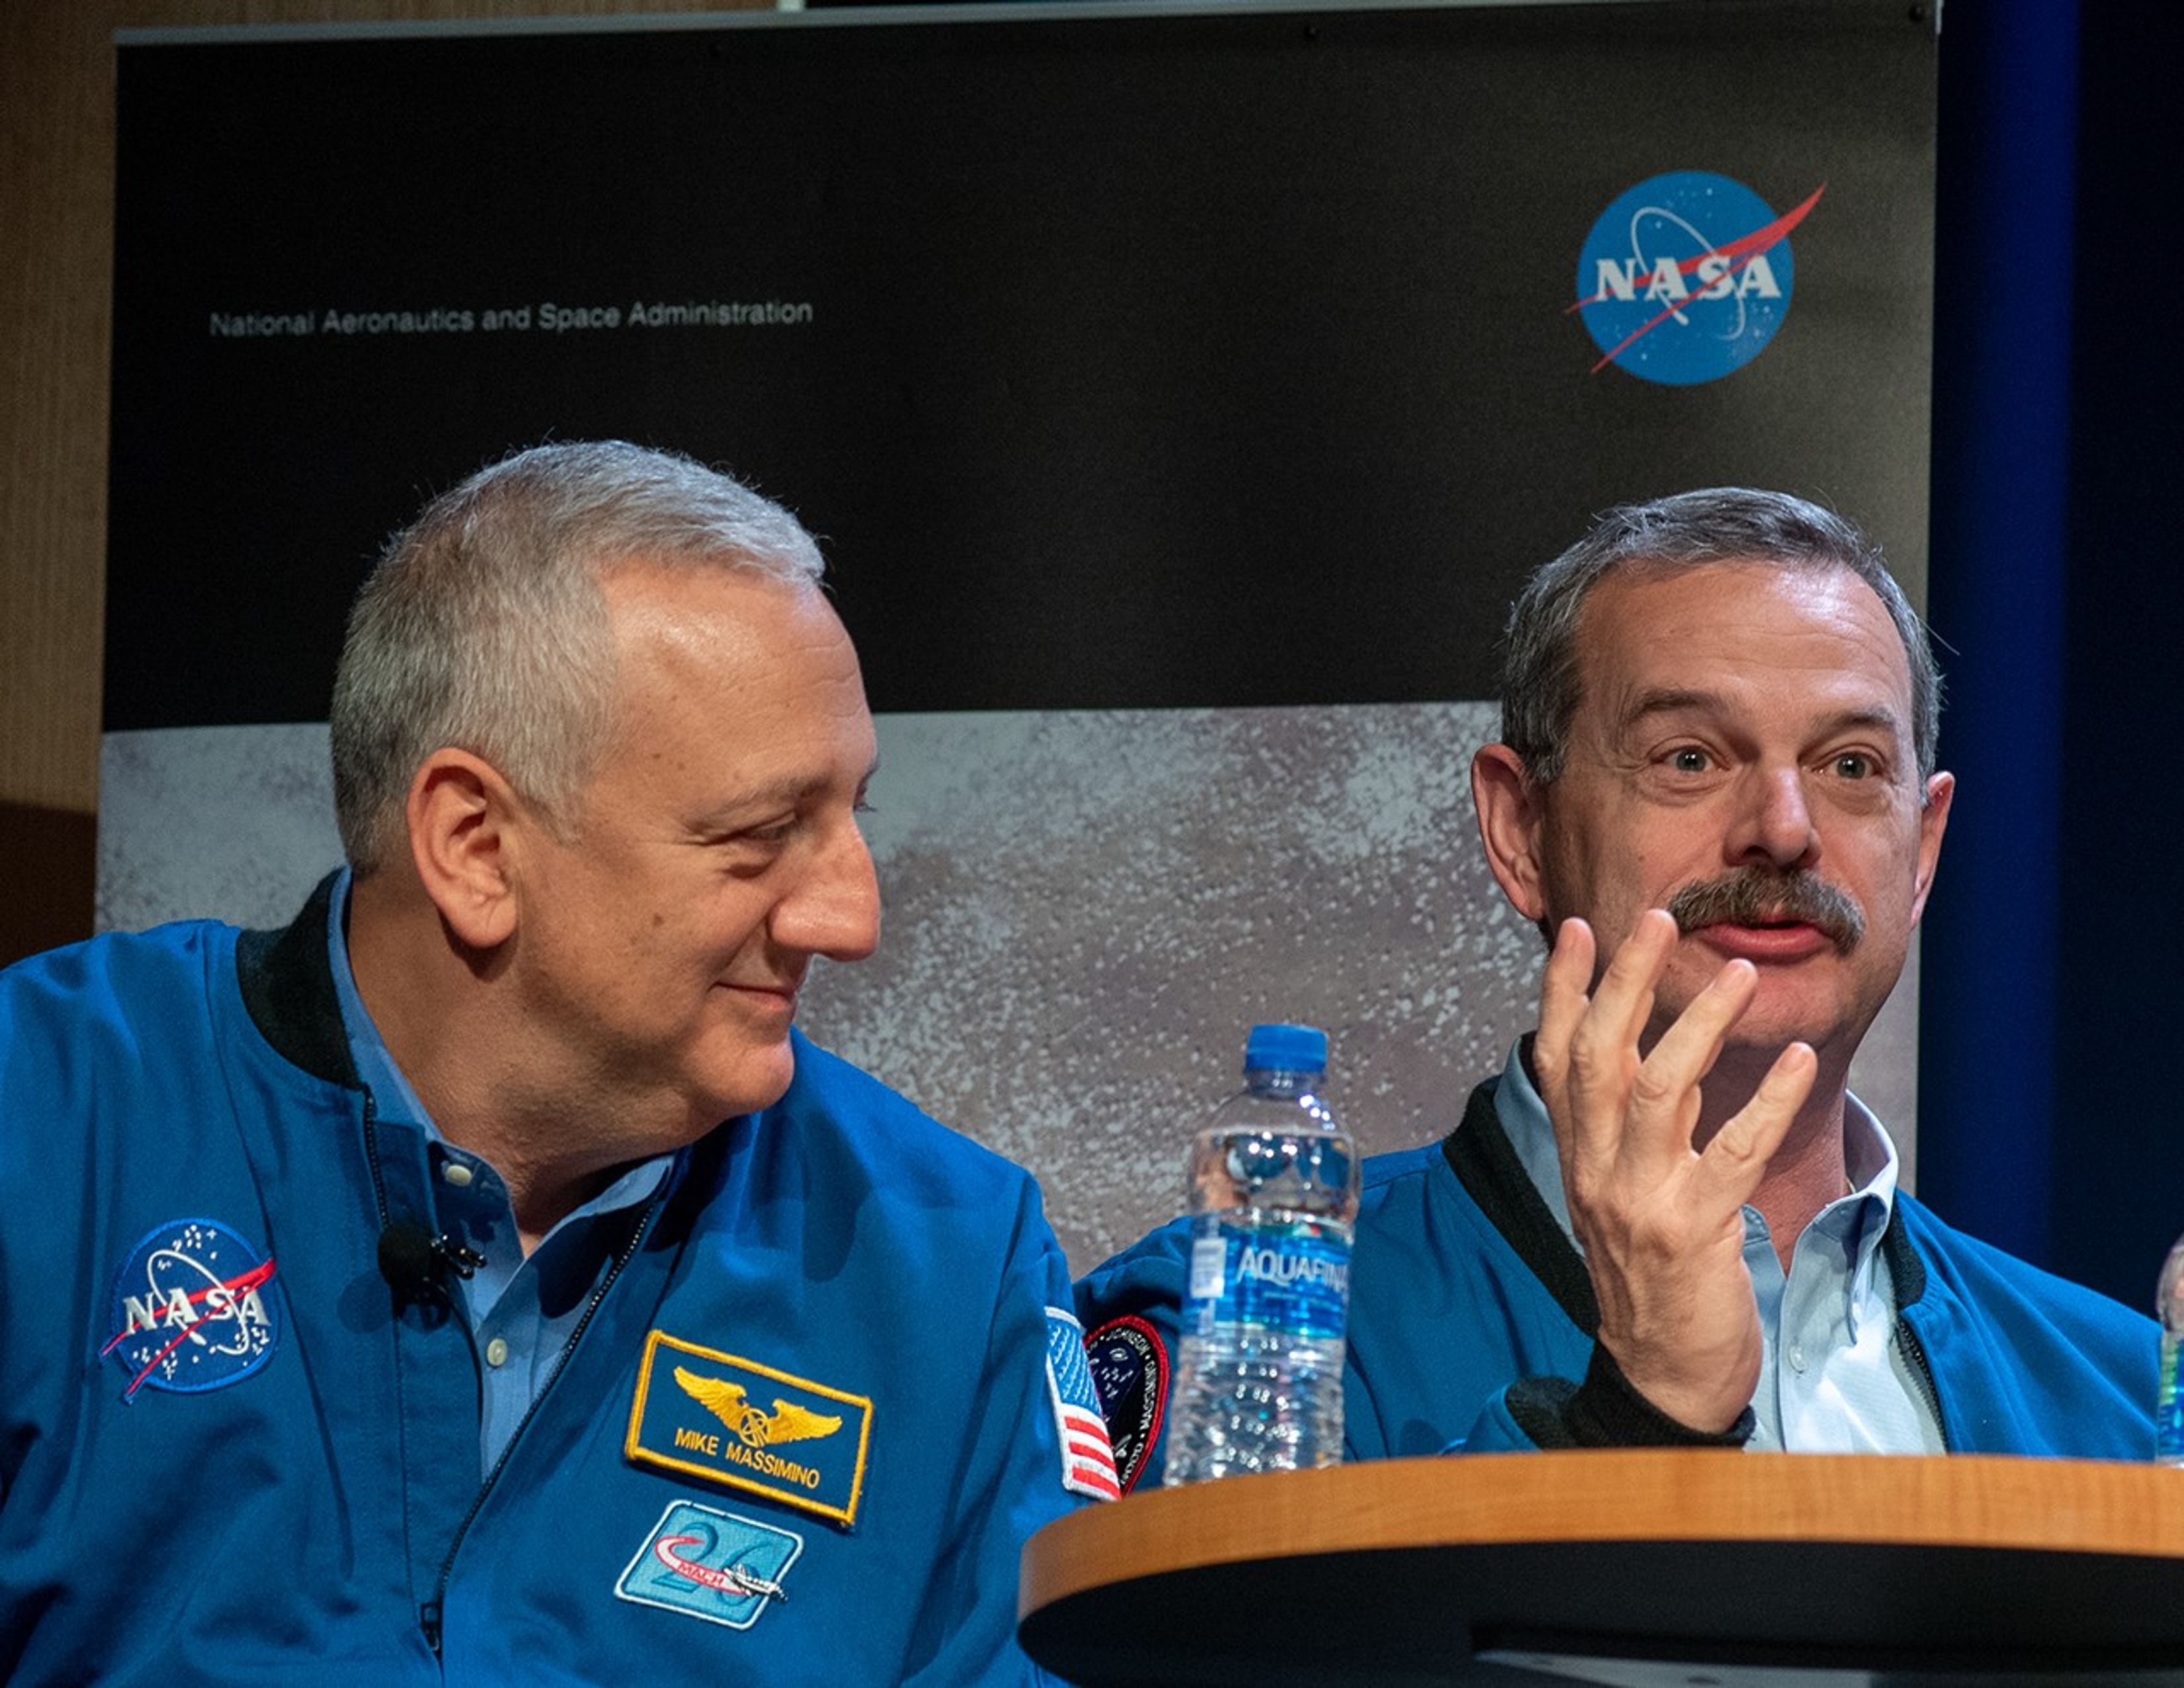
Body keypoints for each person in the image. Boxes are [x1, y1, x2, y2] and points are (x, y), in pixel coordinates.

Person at [0, 442, 1111, 1684]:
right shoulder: (42, 1117)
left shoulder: (953, 1260)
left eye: (856, 812)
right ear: (476, 846)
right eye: (759, 835)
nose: (851, 918)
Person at [1079, 487, 2154, 1489]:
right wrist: (1630, 1411)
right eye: (1689, 758)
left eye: (1851, 766)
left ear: (1922, 852)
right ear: (1522, 829)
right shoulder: (1244, 1326)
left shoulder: (2128, 1402)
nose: (1783, 828)